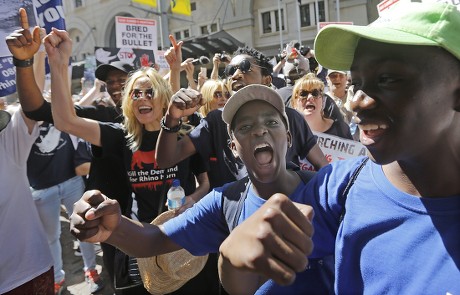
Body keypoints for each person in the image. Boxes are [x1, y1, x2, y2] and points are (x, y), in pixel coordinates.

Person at [217, 2, 460, 293]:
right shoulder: (340, 188)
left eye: (388, 80)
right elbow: (243, 282)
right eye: (356, 82)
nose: (356, 101)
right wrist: (231, 257)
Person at [69, 84, 320, 295]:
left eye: (271, 122)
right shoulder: (225, 202)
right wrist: (112, 228)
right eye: (244, 127)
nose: (259, 129)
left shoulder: (327, 188)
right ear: (233, 147)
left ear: (288, 138)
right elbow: (155, 239)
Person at [7, 8, 133, 291]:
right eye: (109, 82)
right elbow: (41, 109)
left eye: (122, 80)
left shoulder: (163, 126)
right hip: (113, 227)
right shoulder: (101, 119)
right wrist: (42, 61)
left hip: (154, 222)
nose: (115, 87)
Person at [157, 40, 327, 192]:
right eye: (230, 70)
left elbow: (323, 166)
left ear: (267, 80)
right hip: (234, 224)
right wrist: (172, 117)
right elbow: (165, 159)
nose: (235, 74)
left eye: (245, 67)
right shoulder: (216, 121)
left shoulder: (291, 117)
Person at [291, 73, 352, 140]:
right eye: (303, 94)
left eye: (315, 93)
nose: (310, 97)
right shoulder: (288, 133)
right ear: (294, 103)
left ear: (323, 102)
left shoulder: (341, 129)